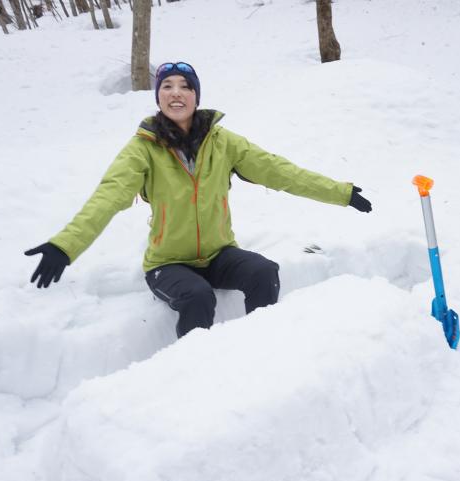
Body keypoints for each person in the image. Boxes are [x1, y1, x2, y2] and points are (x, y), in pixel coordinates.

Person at [25, 61, 372, 338]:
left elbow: (279, 171)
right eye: (167, 86)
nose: (176, 93)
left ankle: (262, 347)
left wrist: (340, 193)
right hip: (168, 264)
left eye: (185, 86)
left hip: (218, 253)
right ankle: (193, 372)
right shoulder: (142, 149)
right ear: (158, 97)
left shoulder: (223, 142)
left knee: (264, 272)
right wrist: (65, 246)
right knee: (197, 296)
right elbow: (109, 194)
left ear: (196, 96)